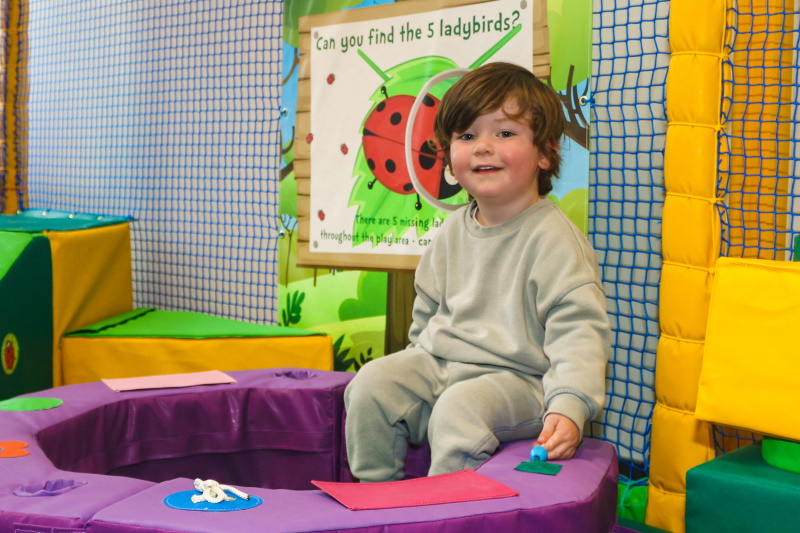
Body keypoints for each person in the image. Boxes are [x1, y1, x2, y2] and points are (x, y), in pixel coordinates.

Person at [344, 61, 611, 482]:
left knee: (459, 409)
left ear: (545, 153)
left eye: (504, 133)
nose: (483, 146)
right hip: (442, 364)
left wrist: (570, 404)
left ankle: (447, 513)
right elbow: (427, 310)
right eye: (467, 136)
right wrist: (417, 367)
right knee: (371, 384)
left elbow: (579, 332)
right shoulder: (451, 230)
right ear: (449, 156)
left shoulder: (554, 238)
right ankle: (380, 499)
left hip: (520, 382)